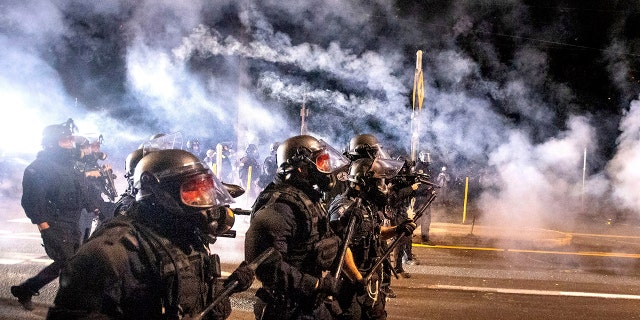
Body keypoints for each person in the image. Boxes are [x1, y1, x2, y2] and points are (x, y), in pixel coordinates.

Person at [46, 148, 256, 319]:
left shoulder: (183, 240)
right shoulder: (110, 253)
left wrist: (227, 286)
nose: (203, 201)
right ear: (158, 191)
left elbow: (189, 299)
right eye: (192, 190)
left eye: (203, 190)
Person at [245, 135, 349, 320]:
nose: (326, 169)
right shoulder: (282, 206)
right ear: (301, 167)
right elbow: (266, 266)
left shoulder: (308, 200)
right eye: (320, 162)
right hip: (286, 308)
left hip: (309, 304)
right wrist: (315, 285)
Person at [11, 123, 95, 311]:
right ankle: (67, 310)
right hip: (55, 224)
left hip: (74, 222)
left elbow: (81, 191)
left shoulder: (70, 166)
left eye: (71, 140)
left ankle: (26, 289)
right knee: (71, 268)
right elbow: (33, 201)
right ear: (50, 144)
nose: (70, 144)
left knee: (64, 263)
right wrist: (45, 228)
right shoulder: (38, 168)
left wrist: (95, 208)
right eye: (65, 140)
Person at [328, 157, 416, 320]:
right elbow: (341, 246)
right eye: (378, 182)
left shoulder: (366, 205)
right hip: (350, 283)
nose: (383, 187)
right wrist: (358, 279)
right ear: (363, 182)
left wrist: (398, 229)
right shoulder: (344, 206)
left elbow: (375, 232)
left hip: (370, 278)